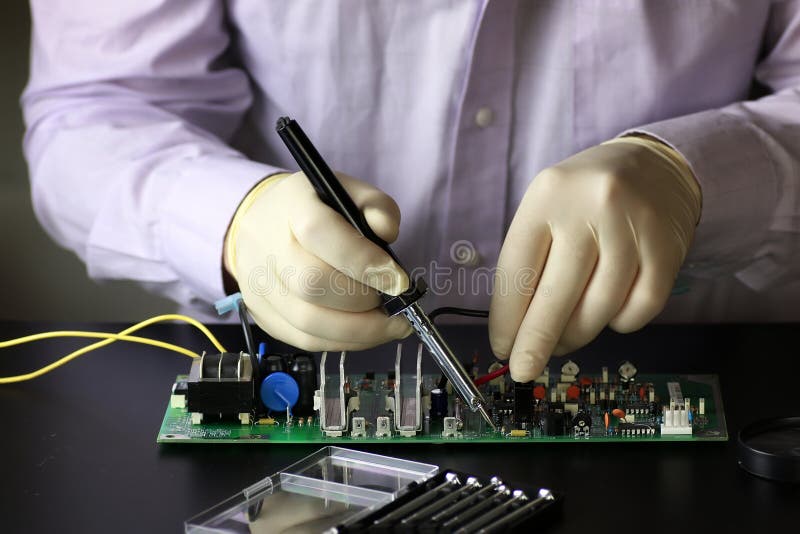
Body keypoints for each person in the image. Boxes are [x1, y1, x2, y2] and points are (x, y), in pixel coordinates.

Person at [22, 1, 800, 382]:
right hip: (283, 377)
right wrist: (232, 219)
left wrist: (692, 171)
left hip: (724, 372)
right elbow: (96, 106)